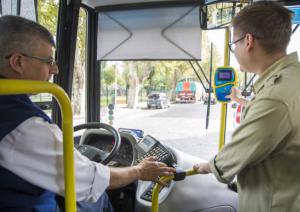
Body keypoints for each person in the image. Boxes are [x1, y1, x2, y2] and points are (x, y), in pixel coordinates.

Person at [0, 15, 175, 211]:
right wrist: (139, 170)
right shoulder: (24, 126)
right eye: (48, 60)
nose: (55, 69)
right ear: (18, 62)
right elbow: (90, 179)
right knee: (100, 198)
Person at [194, 1, 300, 212]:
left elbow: (231, 159)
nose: (234, 50)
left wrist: (207, 166)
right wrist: (240, 102)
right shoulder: (297, 78)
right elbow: (277, 120)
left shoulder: (275, 98)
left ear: (249, 41)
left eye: (234, 44)